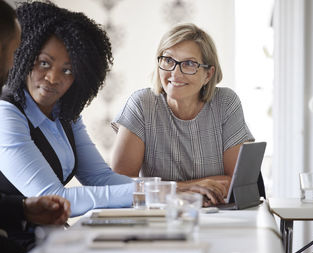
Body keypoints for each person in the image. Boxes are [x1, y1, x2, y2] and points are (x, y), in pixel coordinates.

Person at [0, 1, 137, 218]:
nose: (53, 78)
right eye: (44, 63)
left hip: (50, 239)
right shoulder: (6, 114)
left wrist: (169, 190)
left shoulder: (64, 113)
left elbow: (101, 178)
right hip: (16, 248)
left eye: (68, 70)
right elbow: (54, 197)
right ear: (23, 56)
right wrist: (152, 194)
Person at [111, 23, 254, 206]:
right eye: (168, 60)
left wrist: (161, 189)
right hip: (160, 218)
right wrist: (186, 188)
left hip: (217, 214)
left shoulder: (226, 103)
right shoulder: (141, 104)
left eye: (189, 64)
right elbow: (119, 185)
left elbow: (236, 183)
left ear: (208, 75)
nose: (175, 73)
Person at [0, 1, 70, 253]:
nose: (13, 64)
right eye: (14, 52)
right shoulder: (6, 110)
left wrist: (23, 208)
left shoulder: (65, 114)